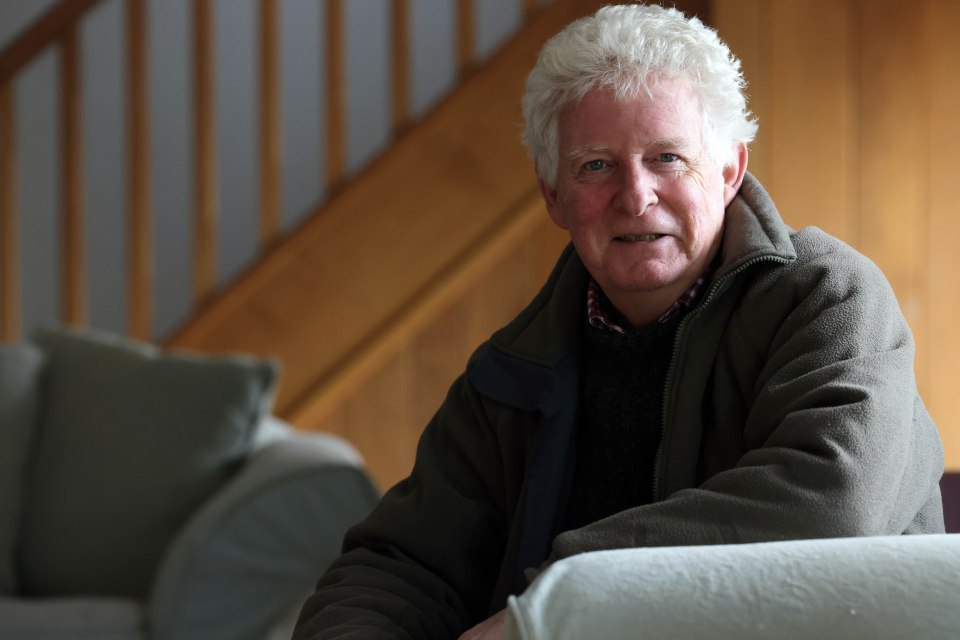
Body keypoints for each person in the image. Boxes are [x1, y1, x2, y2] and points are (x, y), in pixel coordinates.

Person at [294, 4, 945, 639]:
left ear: (728, 169)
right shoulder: (511, 372)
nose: (635, 197)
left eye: (667, 157)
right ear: (553, 195)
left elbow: (832, 506)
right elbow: (397, 569)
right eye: (596, 165)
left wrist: (557, 605)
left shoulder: (828, 298)